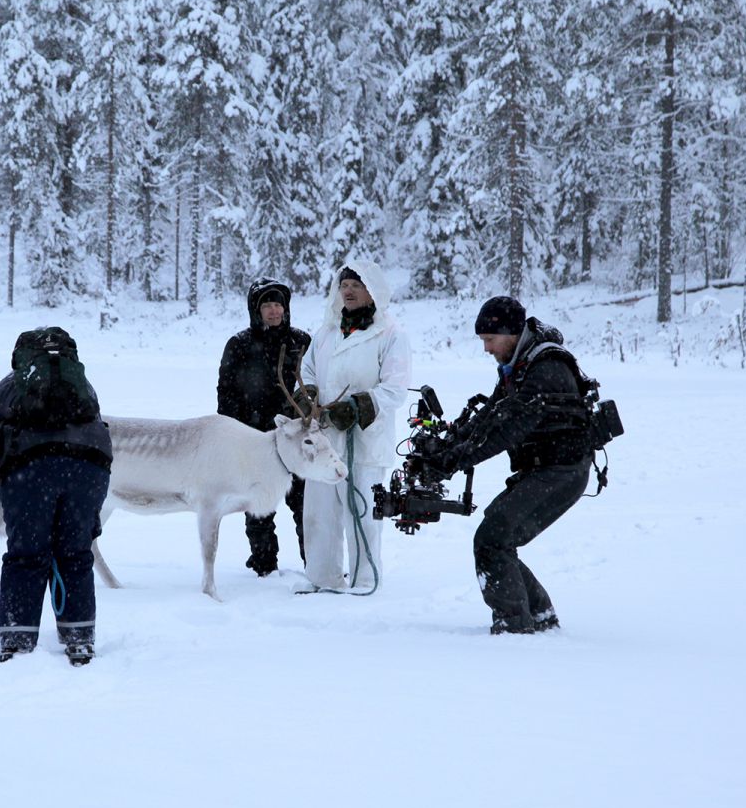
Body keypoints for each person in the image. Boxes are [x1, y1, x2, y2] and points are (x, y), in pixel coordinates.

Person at [418, 296, 592, 634]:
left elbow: (505, 431)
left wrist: (451, 462)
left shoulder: (546, 368)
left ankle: (514, 628)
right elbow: (490, 417)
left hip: (563, 470)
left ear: (511, 333)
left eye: (489, 340)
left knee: (493, 539)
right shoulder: (521, 364)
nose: (486, 349)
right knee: (496, 537)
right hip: (546, 468)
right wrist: (446, 445)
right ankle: (540, 619)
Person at [0, 326, 112, 665]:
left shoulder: (8, 387)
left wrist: (11, 483)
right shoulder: (84, 386)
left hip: (29, 470)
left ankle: (17, 640)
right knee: (76, 553)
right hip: (89, 468)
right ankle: (79, 638)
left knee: (26, 554)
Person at [299, 260, 411, 594]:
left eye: (356, 285)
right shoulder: (327, 331)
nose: (348, 291)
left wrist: (360, 405)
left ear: (372, 291)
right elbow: (308, 371)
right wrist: (308, 396)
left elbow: (395, 388)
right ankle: (323, 578)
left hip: (363, 439)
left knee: (360, 513)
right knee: (320, 512)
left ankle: (364, 581)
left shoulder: (391, 333)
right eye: (344, 285)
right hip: (325, 437)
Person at [216, 277, 312, 577]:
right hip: (256, 440)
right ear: (255, 310)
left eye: (278, 304)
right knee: (259, 507)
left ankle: (316, 564)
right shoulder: (239, 344)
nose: (273, 311)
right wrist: (233, 435)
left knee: (306, 505)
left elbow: (316, 386)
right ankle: (264, 565)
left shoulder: (301, 342)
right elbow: (226, 393)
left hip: (297, 439)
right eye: (267, 305)